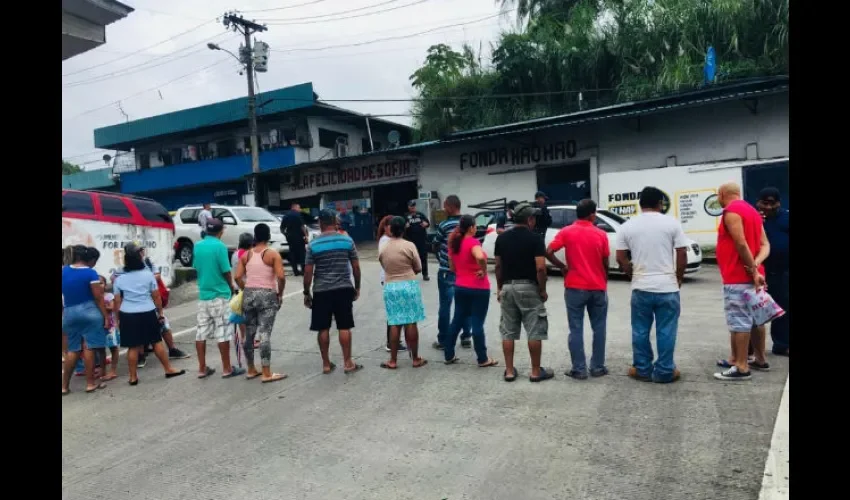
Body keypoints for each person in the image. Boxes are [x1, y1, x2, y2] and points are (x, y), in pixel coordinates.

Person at [615, 187, 688, 384]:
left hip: (641, 287)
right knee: (666, 330)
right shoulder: (672, 223)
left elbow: (620, 258)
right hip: (667, 287)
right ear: (660, 204)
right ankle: (664, 371)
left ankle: (642, 369)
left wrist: (633, 274)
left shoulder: (628, 226)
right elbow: (682, 254)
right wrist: (678, 278)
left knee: (640, 330)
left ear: (641, 204)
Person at [713, 182, 771, 381]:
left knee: (739, 322)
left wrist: (752, 270)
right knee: (756, 319)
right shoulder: (754, 212)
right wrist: (757, 265)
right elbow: (765, 245)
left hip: (738, 277)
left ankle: (741, 366)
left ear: (722, 194)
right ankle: (760, 359)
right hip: (756, 276)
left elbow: (740, 242)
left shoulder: (731, 211)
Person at [546, 199, 610, 380]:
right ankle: (597, 367)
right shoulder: (601, 234)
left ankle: (579, 369)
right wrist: (603, 279)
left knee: (576, 328)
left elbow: (549, 251)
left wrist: (562, 267)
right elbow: (605, 261)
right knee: (599, 328)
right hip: (597, 287)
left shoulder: (567, 232)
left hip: (574, 287)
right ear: (592, 214)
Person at [494, 202, 553, 382]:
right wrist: (542, 290)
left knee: (508, 331)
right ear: (529, 219)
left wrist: (499, 287)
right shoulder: (535, 239)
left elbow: (498, 265)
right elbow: (541, 268)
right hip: (528, 287)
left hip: (508, 287)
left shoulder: (501, 239)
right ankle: (535, 372)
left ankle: (510, 371)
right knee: (534, 329)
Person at [113, 242, 186, 385]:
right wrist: (160, 312)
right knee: (156, 342)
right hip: (147, 312)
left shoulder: (119, 279)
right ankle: (168, 369)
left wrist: (118, 319)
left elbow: (117, 301)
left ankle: (133, 377)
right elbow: (156, 297)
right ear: (139, 258)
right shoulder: (148, 275)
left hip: (128, 314)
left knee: (133, 346)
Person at [303, 210, 363, 375]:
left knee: (323, 327)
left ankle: (326, 364)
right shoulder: (347, 240)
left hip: (322, 290)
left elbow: (308, 272)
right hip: (343, 288)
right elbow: (356, 267)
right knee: (344, 326)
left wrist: (306, 292)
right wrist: (357, 287)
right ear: (335, 222)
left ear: (321, 223)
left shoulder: (313, 245)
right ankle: (348, 362)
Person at [440, 215, 499, 368]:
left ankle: (448, 354)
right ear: (472, 227)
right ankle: (482, 358)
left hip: (460, 286)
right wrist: (483, 269)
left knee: (457, 320)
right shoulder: (473, 242)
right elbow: (480, 257)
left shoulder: (454, 245)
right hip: (478, 288)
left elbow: (452, 267)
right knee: (477, 323)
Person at [192, 218, 245, 379]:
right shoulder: (220, 247)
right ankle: (227, 368)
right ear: (220, 231)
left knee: (201, 332)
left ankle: (202, 368)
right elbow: (226, 271)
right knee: (222, 332)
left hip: (203, 295)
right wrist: (232, 287)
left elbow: (196, 267)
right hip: (220, 294)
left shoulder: (197, 246)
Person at [235, 223, 288, 383]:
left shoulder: (246, 255)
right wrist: (280, 293)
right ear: (268, 236)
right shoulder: (272, 254)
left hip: (249, 295)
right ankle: (266, 372)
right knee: (264, 334)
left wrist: (247, 289)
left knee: (249, 334)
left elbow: (237, 277)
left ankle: (251, 369)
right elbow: (281, 276)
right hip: (267, 295)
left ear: (255, 236)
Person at [378, 216, 428, 369]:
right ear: (404, 229)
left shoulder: (384, 247)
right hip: (409, 285)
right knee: (411, 322)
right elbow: (419, 267)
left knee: (394, 322)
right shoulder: (409, 245)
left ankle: (393, 360)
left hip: (391, 286)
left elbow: (383, 265)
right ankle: (415, 358)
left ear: (391, 229)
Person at [61, 245, 110, 394]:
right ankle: (90, 384)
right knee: (89, 347)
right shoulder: (90, 273)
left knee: (72, 349)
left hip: (69, 312)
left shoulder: (64, 271)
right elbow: (98, 297)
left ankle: (64, 386)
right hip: (89, 311)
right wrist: (105, 316)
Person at [432, 195, 472, 350]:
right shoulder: (468, 224)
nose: (444, 209)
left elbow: (435, 244)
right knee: (465, 304)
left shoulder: (444, 225)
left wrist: (441, 258)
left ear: (450, 206)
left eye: (445, 206)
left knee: (445, 305)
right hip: (465, 271)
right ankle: (466, 337)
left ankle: (443, 339)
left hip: (446, 271)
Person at [756, 187, 789, 357]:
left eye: (772, 203)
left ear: (778, 203)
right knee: (755, 309)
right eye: (764, 203)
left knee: (783, 309)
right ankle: (750, 348)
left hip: (783, 272)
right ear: (758, 203)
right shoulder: (755, 218)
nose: (768, 207)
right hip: (760, 272)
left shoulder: (786, 217)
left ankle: (781, 345)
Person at [378, 215, 407, 352]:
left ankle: (394, 340)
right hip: (390, 278)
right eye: (391, 225)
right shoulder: (385, 241)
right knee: (394, 312)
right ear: (385, 227)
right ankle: (391, 342)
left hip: (393, 278)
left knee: (397, 311)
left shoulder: (390, 240)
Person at [231, 233, 254, 348]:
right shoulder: (247, 255)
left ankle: (244, 337)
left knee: (241, 315)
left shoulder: (235, 254)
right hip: (245, 286)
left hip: (236, 287)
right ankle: (248, 339)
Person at [403, 199, 431, 281]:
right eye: (411, 206)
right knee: (411, 258)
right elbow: (401, 227)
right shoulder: (405, 216)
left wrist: (426, 224)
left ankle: (425, 274)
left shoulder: (420, 215)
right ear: (408, 207)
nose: (413, 208)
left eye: (414, 206)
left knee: (423, 257)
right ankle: (411, 274)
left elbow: (428, 223)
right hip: (411, 241)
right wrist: (405, 227)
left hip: (421, 240)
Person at [281, 203, 308, 276]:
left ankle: (295, 271)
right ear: (295, 208)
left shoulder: (286, 215)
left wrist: (286, 235)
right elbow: (302, 226)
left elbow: (282, 228)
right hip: (299, 237)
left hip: (290, 238)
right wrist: (306, 236)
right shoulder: (298, 215)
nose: (300, 209)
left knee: (292, 254)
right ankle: (303, 271)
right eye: (299, 208)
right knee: (302, 254)